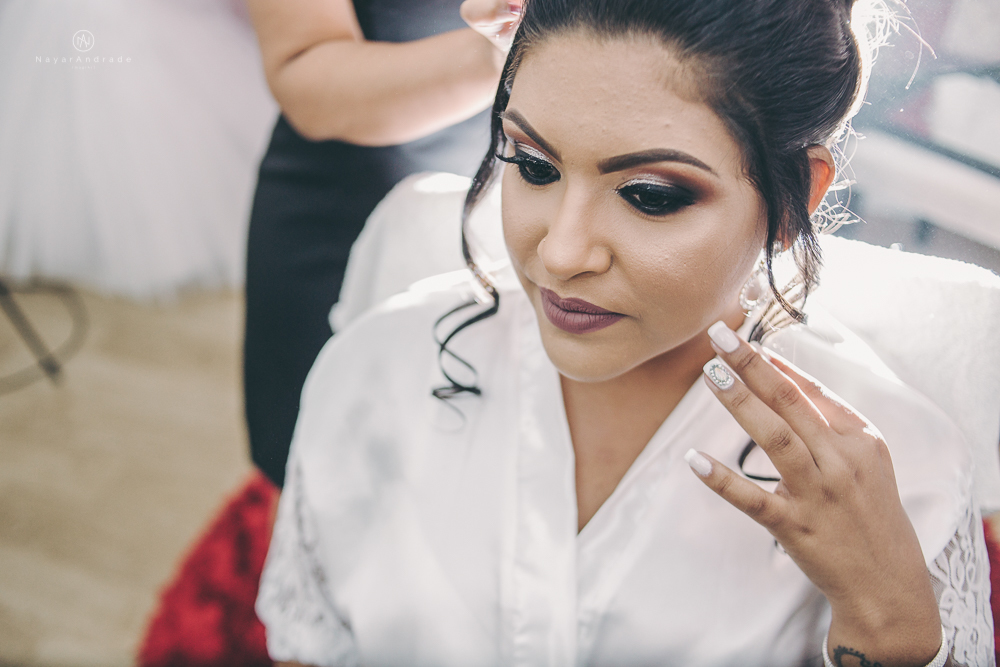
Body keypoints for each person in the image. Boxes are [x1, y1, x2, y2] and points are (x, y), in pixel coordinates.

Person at [256, 0, 995, 664]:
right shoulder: (374, 370)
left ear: (794, 195)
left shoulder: (904, 478)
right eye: (533, 165)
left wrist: (886, 623)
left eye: (649, 195)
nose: (561, 253)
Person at [243, 0, 521, 487]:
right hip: (347, 214)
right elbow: (303, 69)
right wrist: (507, 51)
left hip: (530, 223)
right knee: (324, 474)